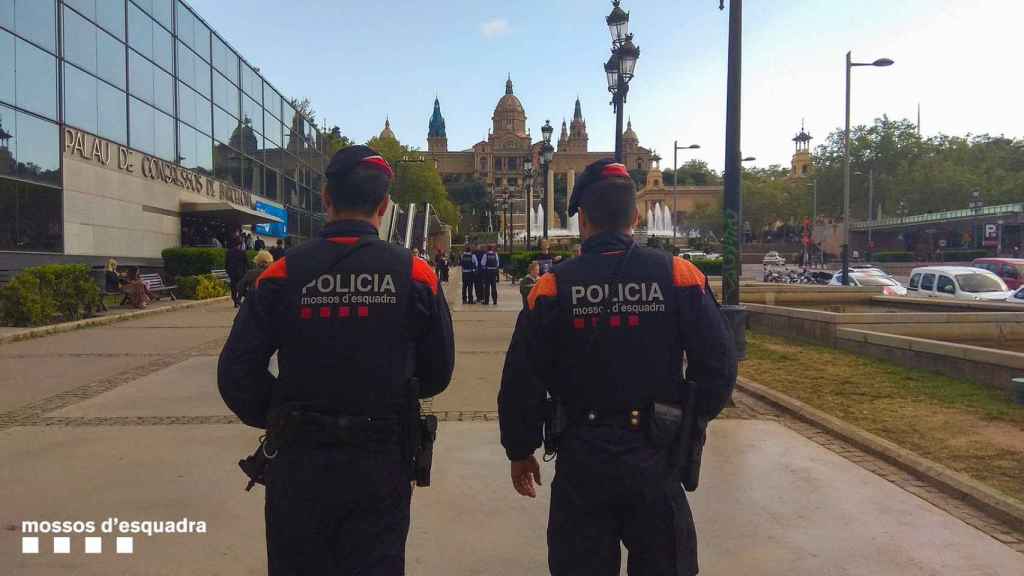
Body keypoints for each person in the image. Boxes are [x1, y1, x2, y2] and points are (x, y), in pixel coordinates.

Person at [218, 145, 455, 575]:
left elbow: (236, 373)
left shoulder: (281, 274)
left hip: (299, 457)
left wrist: (283, 412)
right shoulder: (416, 274)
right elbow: (438, 373)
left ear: (325, 198)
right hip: (381, 458)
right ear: (384, 206)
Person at [498, 159, 737, 576]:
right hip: (655, 454)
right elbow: (719, 368)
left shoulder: (552, 286)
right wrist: (684, 421)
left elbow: (522, 378)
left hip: (581, 458)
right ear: (637, 215)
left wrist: (520, 449)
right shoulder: (679, 275)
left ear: (582, 218)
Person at [225, 239, 250, 308]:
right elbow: (247, 263)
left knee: (233, 288)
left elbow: (226, 263)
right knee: (241, 287)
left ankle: (235, 301)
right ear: (239, 245)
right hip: (241, 273)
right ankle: (238, 300)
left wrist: (228, 271)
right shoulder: (243, 252)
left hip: (232, 273)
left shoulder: (228, 252)